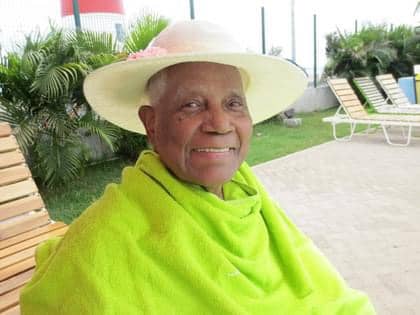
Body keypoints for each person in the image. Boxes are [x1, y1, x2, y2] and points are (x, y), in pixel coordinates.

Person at [20, 20, 376, 314]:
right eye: (192, 105)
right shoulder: (103, 245)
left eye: (234, 103)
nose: (220, 123)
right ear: (152, 124)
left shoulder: (250, 200)